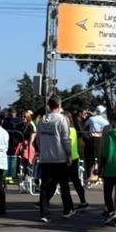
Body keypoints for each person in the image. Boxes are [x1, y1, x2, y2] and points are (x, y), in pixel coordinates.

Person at [36, 95, 74, 223]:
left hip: (45, 158)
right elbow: (65, 139)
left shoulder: (41, 120)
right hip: (59, 157)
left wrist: (41, 152)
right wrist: (69, 155)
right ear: (59, 105)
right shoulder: (62, 119)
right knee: (64, 185)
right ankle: (67, 209)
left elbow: (38, 139)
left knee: (45, 186)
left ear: (49, 105)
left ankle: (44, 213)